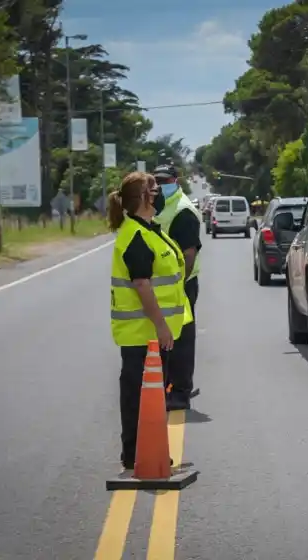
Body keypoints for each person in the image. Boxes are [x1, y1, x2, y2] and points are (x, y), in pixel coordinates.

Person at [107, 171, 193, 471]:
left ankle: (147, 450)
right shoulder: (136, 236)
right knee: (140, 398)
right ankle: (136, 453)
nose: (159, 191)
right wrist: (161, 325)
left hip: (151, 333)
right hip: (142, 333)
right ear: (144, 197)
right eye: (153, 188)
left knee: (153, 397)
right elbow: (141, 284)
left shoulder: (150, 229)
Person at [152, 164, 202, 411]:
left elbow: (189, 254)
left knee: (181, 339)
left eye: (165, 180)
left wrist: (178, 287)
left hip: (181, 285)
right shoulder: (158, 206)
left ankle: (180, 392)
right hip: (161, 285)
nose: (160, 184)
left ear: (176, 180)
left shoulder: (183, 210)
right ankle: (168, 385)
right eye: (156, 180)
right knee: (165, 337)